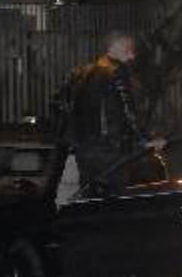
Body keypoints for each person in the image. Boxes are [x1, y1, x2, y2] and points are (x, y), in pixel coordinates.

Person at [58, 31, 162, 187]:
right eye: (128, 50)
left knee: (89, 196)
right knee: (115, 199)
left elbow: (65, 106)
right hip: (111, 149)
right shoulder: (117, 72)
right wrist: (146, 139)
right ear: (114, 48)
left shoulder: (80, 72)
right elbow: (129, 110)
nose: (132, 56)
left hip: (84, 149)